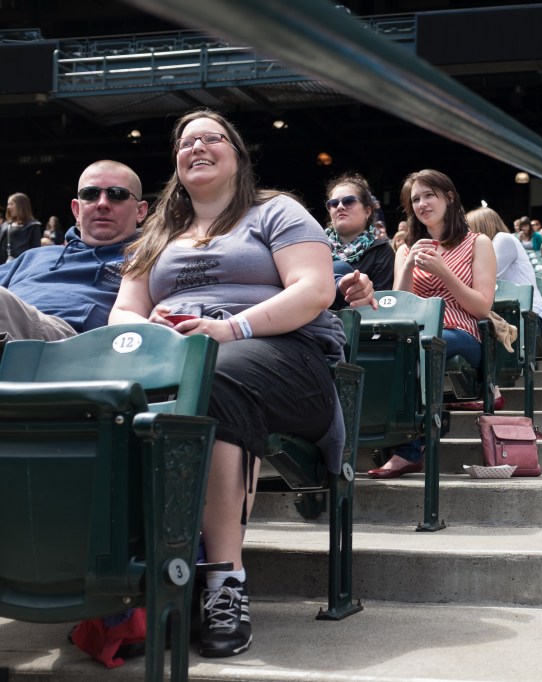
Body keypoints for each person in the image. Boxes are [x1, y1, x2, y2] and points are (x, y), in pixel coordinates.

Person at [107, 109, 374, 659]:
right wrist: (152, 332)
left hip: (286, 357)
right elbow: (122, 315)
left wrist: (230, 329)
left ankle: (223, 584)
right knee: (111, 396)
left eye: (212, 137)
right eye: (187, 141)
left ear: (238, 154)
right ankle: (125, 578)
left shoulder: (276, 211)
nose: (198, 147)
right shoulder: (158, 232)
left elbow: (315, 289)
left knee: (216, 378)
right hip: (176, 358)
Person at [373, 169, 496, 478]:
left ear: (449, 197)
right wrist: (408, 266)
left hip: (463, 333)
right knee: (397, 349)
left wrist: (444, 272)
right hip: (416, 334)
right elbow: (397, 307)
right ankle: (389, 436)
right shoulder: (406, 247)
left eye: (429, 195)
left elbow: (482, 307)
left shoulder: (477, 243)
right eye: (415, 199)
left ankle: (410, 450)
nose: (422, 203)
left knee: (427, 345)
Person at [0, 160, 146, 347]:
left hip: (70, 345)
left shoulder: (147, 261)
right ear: (76, 209)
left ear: (140, 211)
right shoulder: (33, 257)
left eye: (116, 194)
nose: (102, 203)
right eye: (90, 194)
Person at [466, 205, 542, 410]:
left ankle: (489, 391)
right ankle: (487, 390)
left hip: (526, 318)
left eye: (469, 228)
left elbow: (480, 278)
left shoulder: (503, 239)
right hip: (510, 316)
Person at [324, 171, 395, 292]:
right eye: (334, 203)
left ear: (367, 211)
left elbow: (381, 302)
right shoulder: (316, 245)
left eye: (348, 201)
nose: (340, 206)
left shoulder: (381, 250)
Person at [1, 192, 42, 262]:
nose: (8, 207)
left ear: (21, 206)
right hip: (3, 267)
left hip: (22, 267)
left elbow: (35, 252)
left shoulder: (33, 226)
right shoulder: (6, 225)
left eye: (11, 204)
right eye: (8, 204)